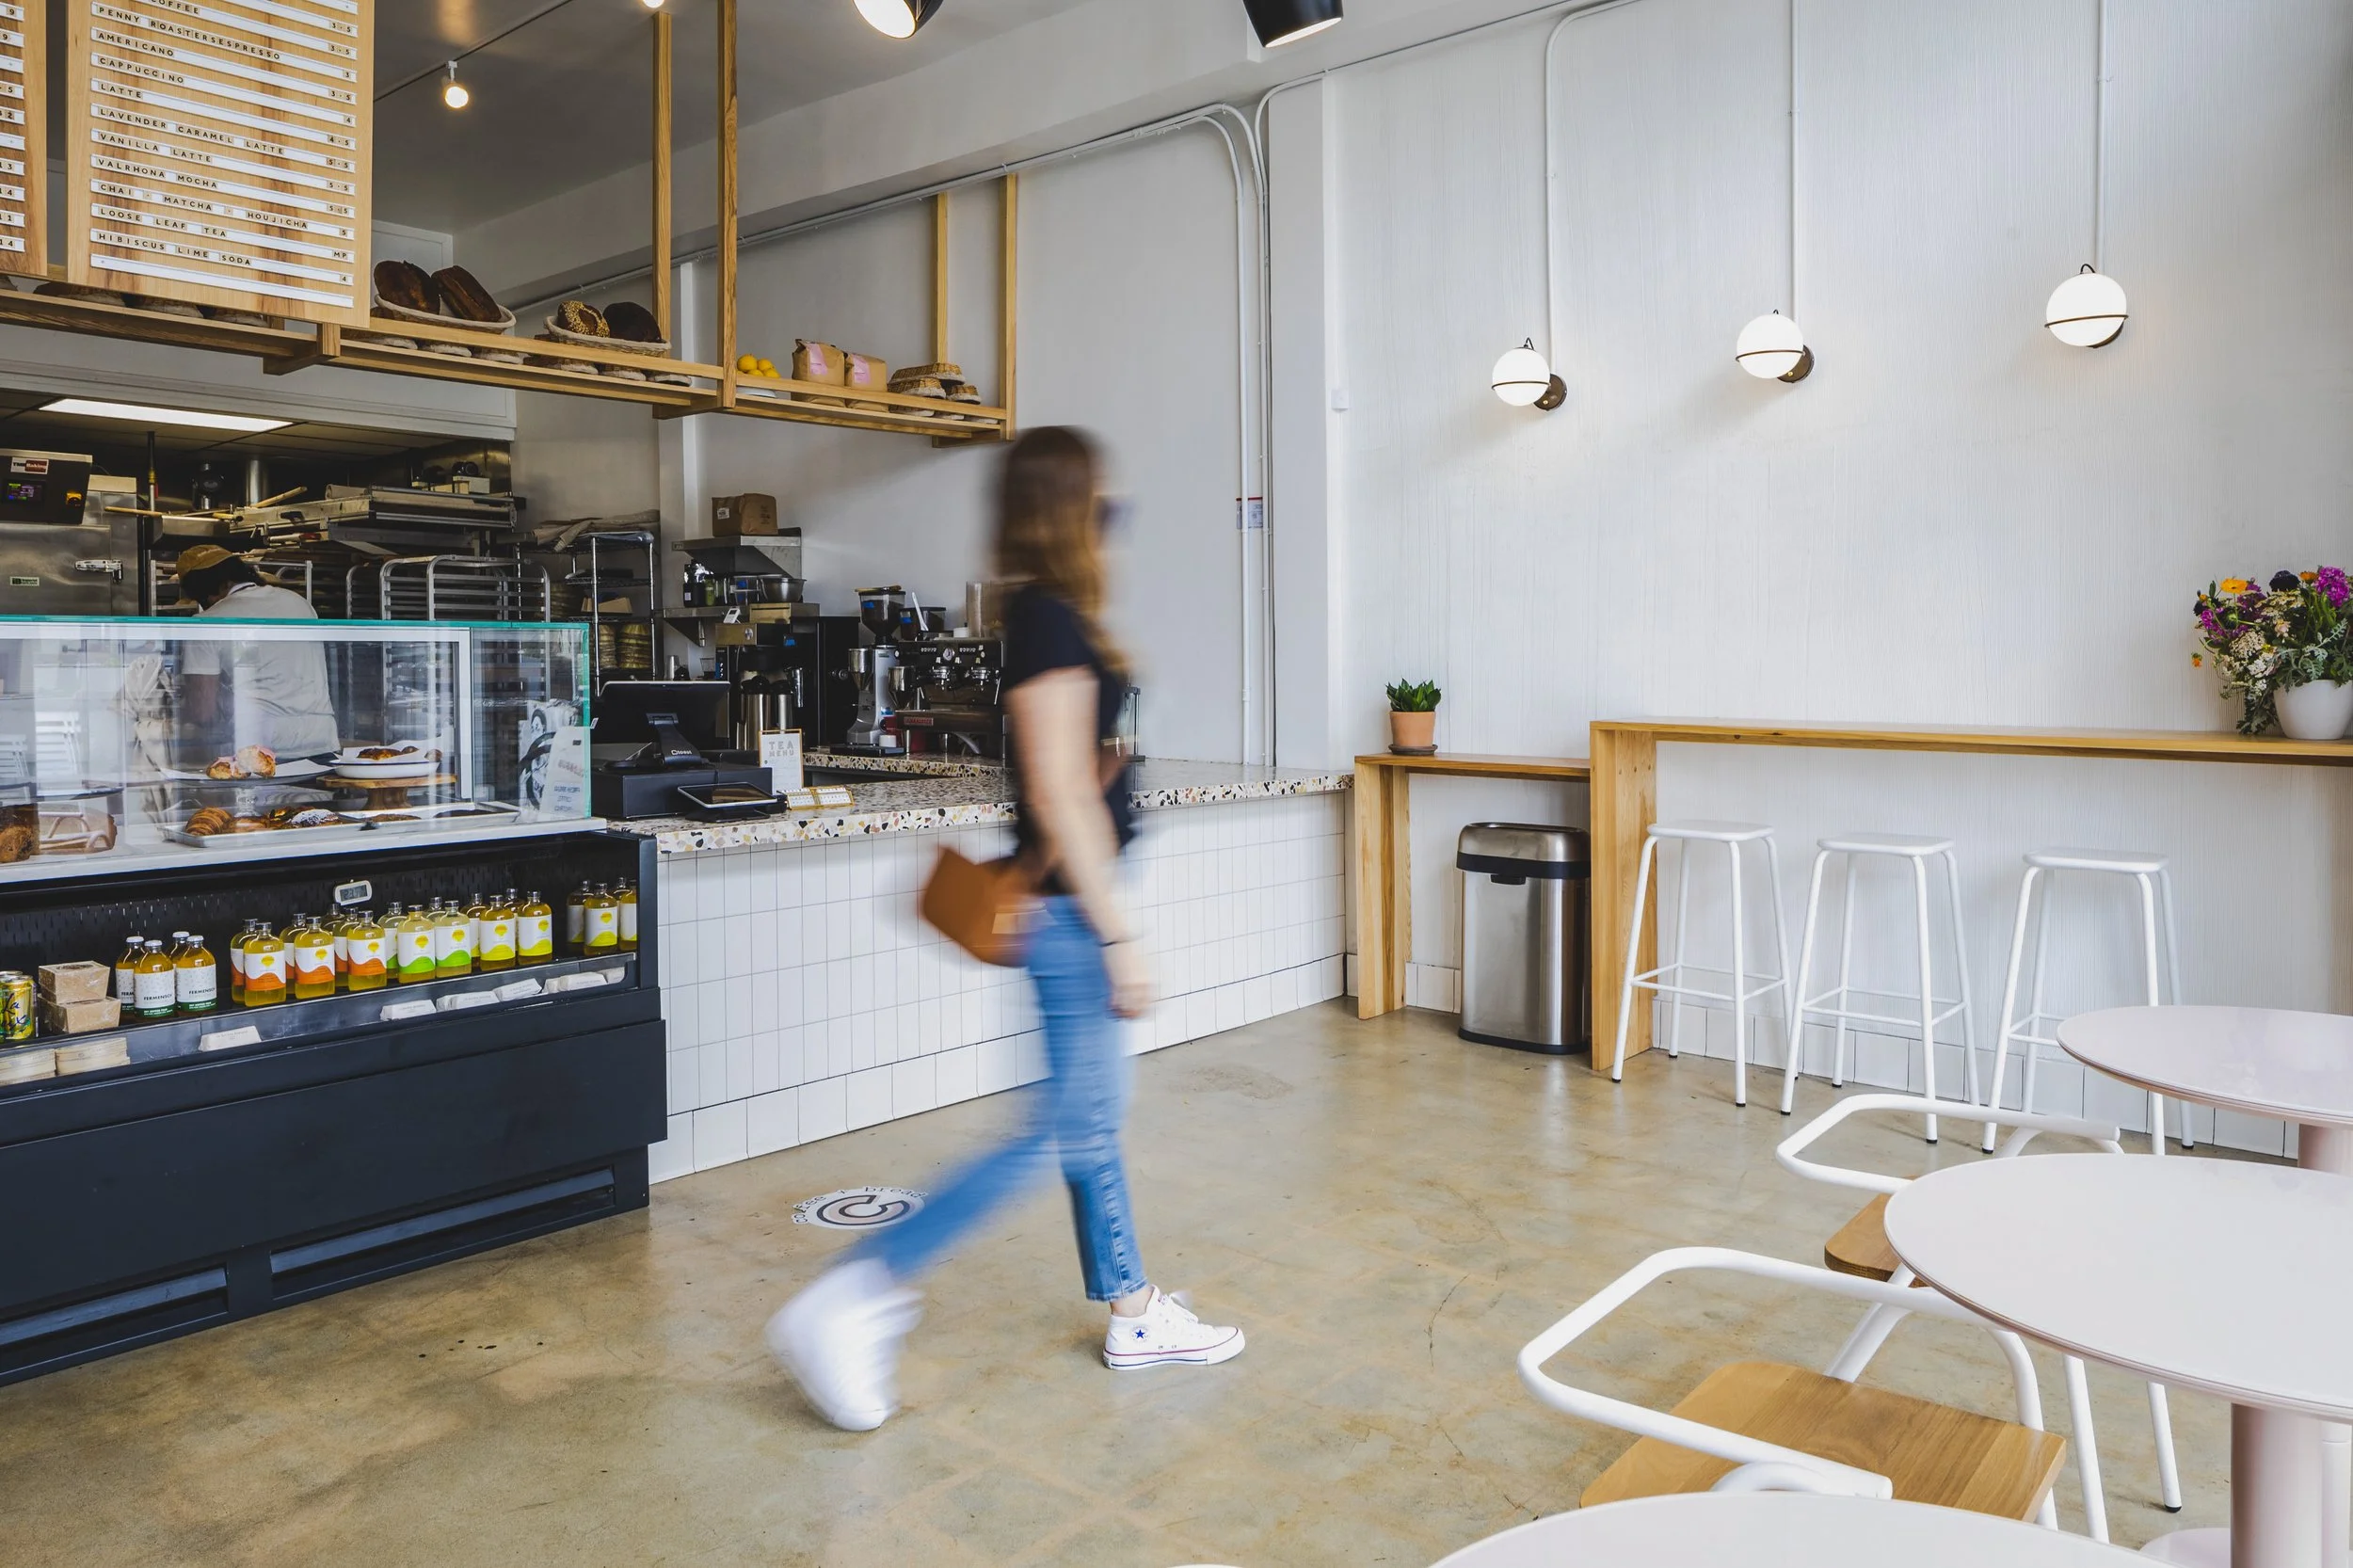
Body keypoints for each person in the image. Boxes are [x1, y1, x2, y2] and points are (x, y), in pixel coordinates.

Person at [767, 427, 1243, 1432]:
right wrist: (1119, 935)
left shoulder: (1055, 619)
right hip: (1073, 918)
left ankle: (1133, 1309)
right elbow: (1063, 794)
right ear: (1067, 510)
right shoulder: (1048, 623)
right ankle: (853, 1292)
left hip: (1071, 909)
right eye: (1102, 504)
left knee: (1086, 1119)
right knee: (1060, 1126)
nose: (1114, 520)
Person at [175, 545, 341, 760]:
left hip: (262, 749)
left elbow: (202, 711)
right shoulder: (298, 602)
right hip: (321, 739)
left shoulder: (206, 622)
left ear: (204, 591)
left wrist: (170, 716)